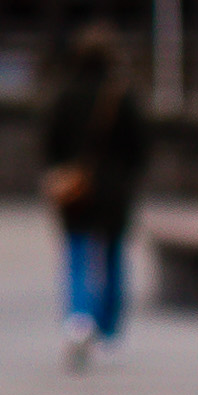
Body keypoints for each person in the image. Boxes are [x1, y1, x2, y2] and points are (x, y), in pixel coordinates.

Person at [38, 22, 149, 365]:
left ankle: (79, 319)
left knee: (78, 254)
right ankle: (109, 323)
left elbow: (50, 145)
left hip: (77, 188)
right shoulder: (122, 95)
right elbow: (140, 147)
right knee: (113, 254)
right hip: (114, 190)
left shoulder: (65, 95)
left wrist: (63, 169)